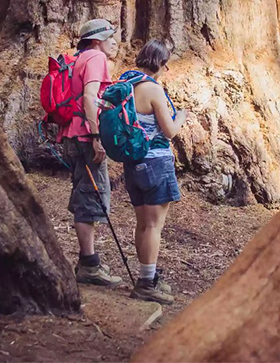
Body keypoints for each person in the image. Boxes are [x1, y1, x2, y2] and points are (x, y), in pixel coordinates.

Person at [122, 40, 187, 304]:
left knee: (143, 223)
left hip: (133, 163)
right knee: (153, 225)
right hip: (155, 162)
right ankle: (146, 283)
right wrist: (181, 115)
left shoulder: (127, 85)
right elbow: (169, 131)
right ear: (159, 63)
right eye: (166, 64)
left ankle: (147, 275)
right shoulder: (152, 89)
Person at [61, 18, 121, 286]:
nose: (115, 42)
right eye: (110, 37)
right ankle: (89, 265)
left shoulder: (80, 57)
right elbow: (89, 97)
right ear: (96, 40)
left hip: (73, 134)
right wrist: (96, 135)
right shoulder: (96, 57)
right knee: (91, 196)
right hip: (86, 137)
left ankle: (89, 261)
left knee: (85, 192)